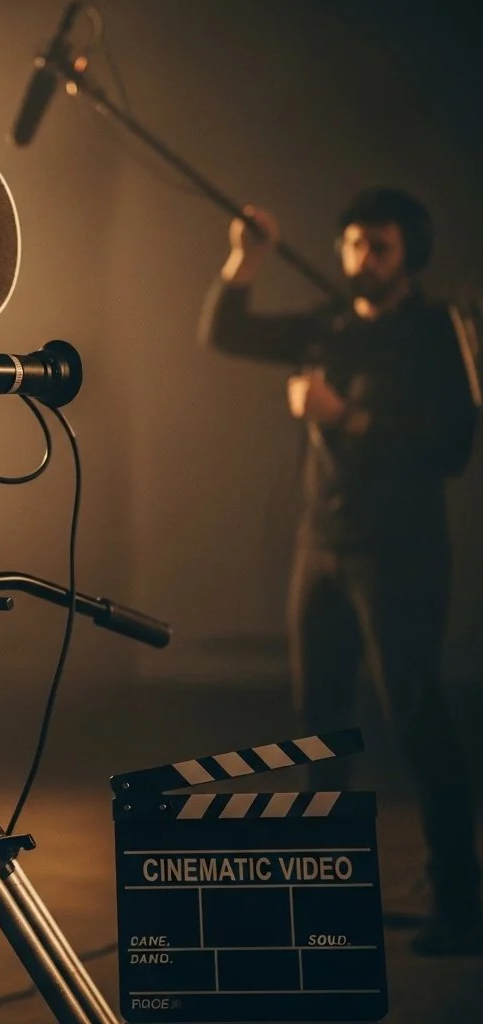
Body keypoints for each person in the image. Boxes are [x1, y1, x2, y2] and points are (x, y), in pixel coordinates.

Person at [198, 187, 482, 955]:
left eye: (379, 246)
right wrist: (245, 260)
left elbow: (453, 446)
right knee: (319, 723)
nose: (362, 259)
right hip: (320, 544)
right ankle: (330, 892)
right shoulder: (329, 324)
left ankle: (460, 899)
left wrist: (348, 416)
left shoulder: (435, 331)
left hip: (401, 552)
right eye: (353, 244)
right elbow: (226, 332)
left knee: (415, 715)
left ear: (410, 253)